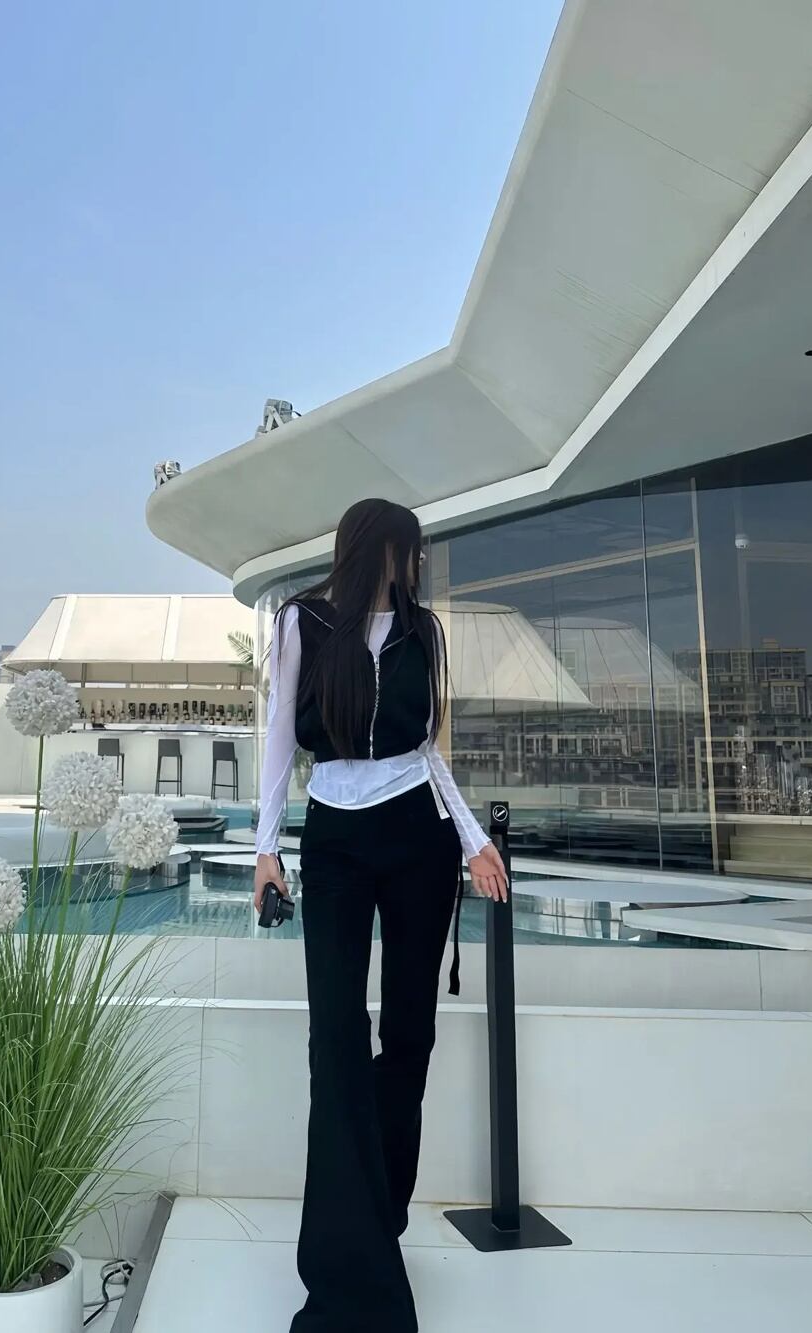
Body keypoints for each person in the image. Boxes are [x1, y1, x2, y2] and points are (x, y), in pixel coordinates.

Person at [254, 497, 508, 1333]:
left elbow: (428, 750)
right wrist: (265, 847)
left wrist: (473, 838)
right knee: (335, 1040)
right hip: (334, 839)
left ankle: (381, 1215)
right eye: (412, 550)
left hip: (416, 838)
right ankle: (345, 1267)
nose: (419, 565)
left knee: (408, 1034)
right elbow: (279, 739)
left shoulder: (422, 630)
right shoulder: (303, 622)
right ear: (379, 548)